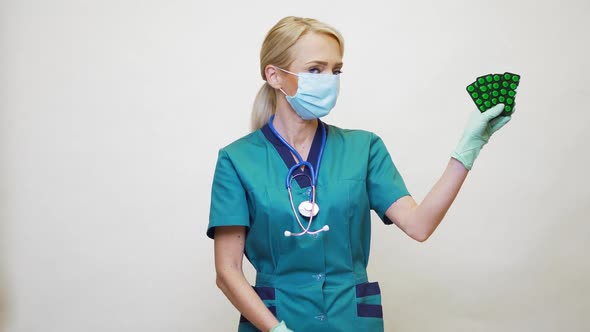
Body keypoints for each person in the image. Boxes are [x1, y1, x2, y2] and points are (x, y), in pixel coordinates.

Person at [207, 16, 511, 332]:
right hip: (275, 320)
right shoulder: (237, 160)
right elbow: (227, 271)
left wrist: (467, 149)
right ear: (275, 76)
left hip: (350, 320)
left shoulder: (363, 148)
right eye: (315, 69)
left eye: (335, 70)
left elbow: (419, 226)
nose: (329, 79)